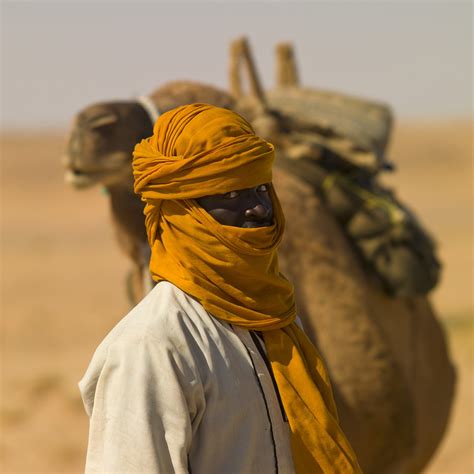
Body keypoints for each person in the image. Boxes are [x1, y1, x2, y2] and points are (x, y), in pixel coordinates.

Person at [79, 103, 361, 473]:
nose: (259, 209)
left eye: (260, 188)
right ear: (182, 211)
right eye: (229, 196)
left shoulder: (276, 321)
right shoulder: (150, 347)